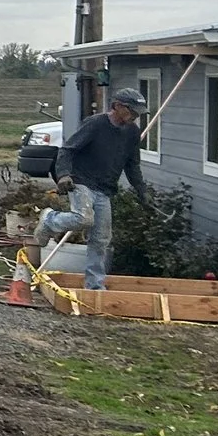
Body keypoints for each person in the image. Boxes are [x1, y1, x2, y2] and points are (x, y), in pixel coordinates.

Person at [40, 87, 150, 290]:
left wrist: (142, 191)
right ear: (117, 106)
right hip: (81, 180)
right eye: (132, 111)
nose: (135, 116)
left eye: (138, 113)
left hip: (105, 188)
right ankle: (49, 219)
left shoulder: (132, 133)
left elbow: (132, 165)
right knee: (84, 217)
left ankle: (94, 286)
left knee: (101, 238)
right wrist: (64, 174)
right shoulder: (95, 124)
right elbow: (67, 150)